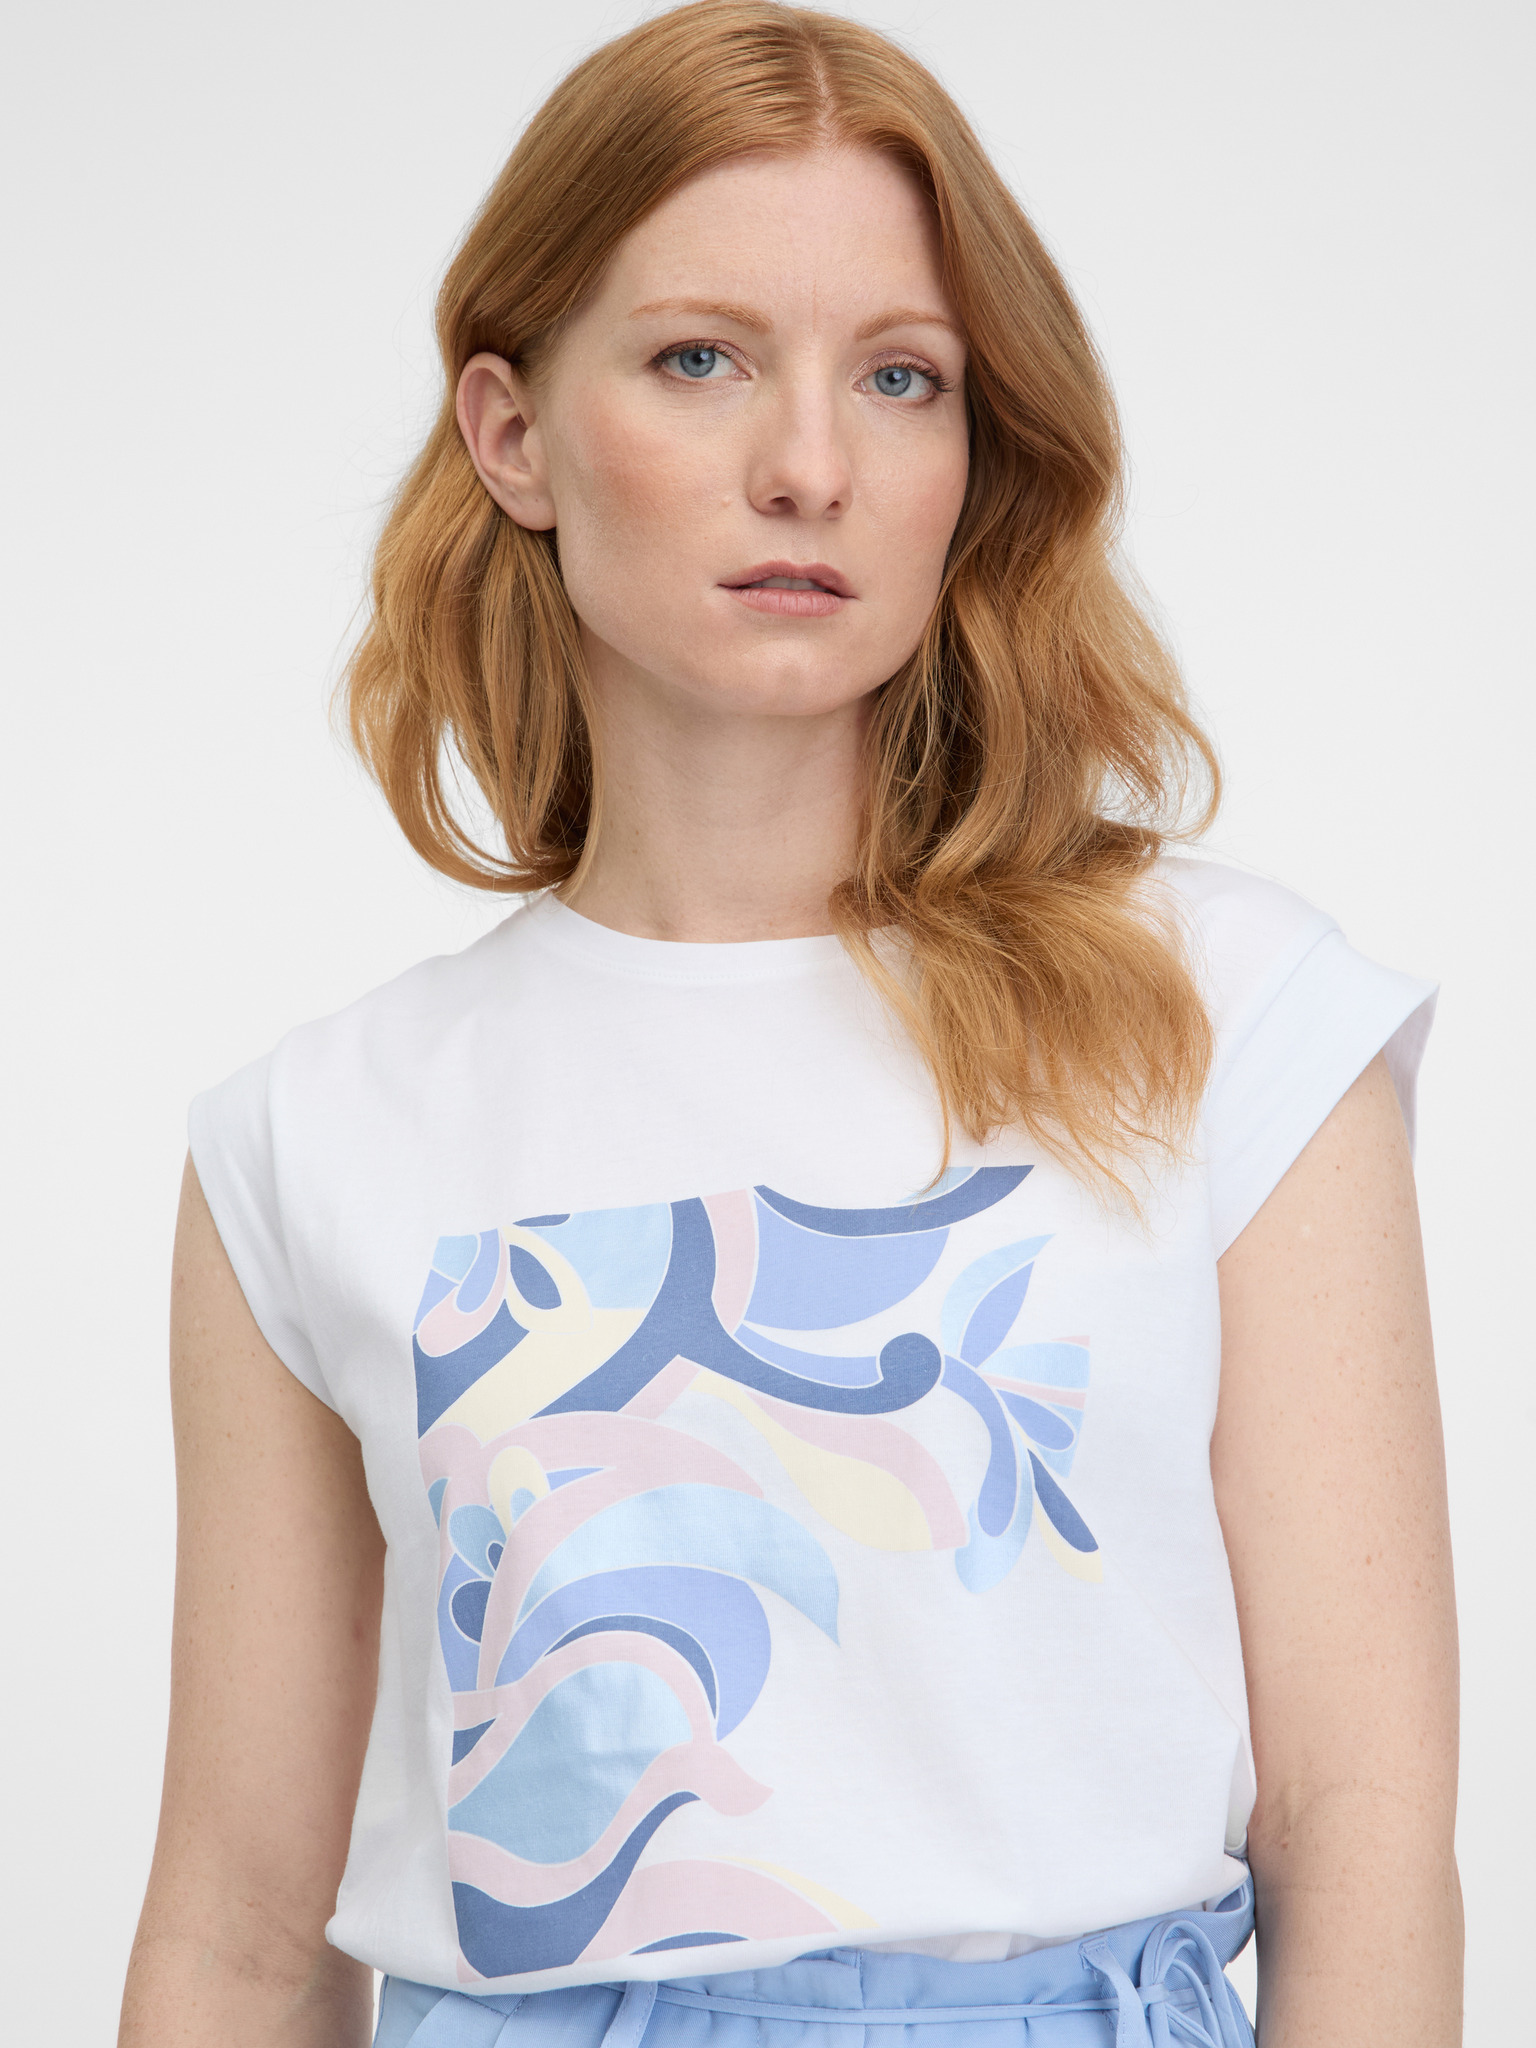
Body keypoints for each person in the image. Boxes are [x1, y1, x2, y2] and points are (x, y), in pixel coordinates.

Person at [117, 4, 1462, 2044]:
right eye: (701, 358)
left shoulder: (1230, 1021)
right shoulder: (311, 1139)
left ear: (971, 455)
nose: (811, 467)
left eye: (901, 378)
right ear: (511, 434)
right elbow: (235, 1933)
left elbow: (1360, 1831)